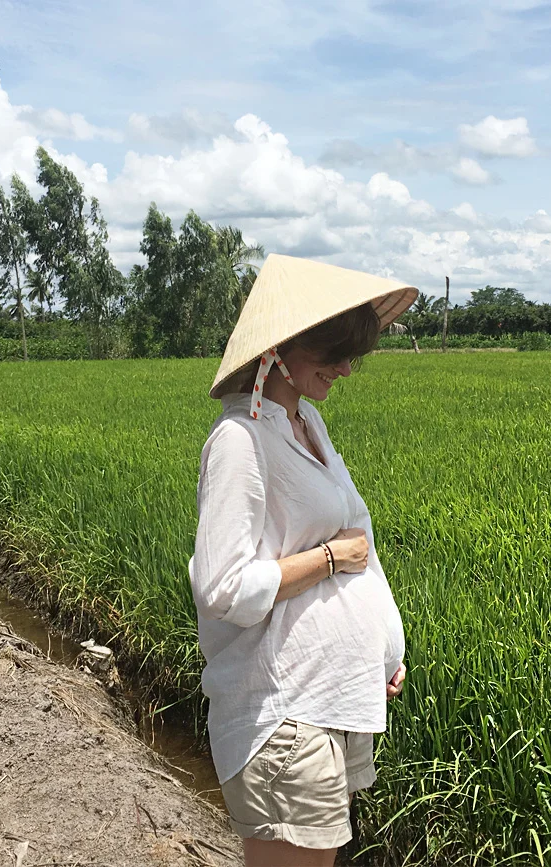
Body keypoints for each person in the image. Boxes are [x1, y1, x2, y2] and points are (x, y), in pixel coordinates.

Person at [189, 255, 417, 867]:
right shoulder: (240, 439)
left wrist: (382, 652)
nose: (346, 368)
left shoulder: (305, 421)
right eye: (333, 353)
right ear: (281, 349)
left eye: (353, 355)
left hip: (329, 704)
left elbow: (360, 540)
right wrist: (326, 557)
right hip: (283, 712)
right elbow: (223, 588)